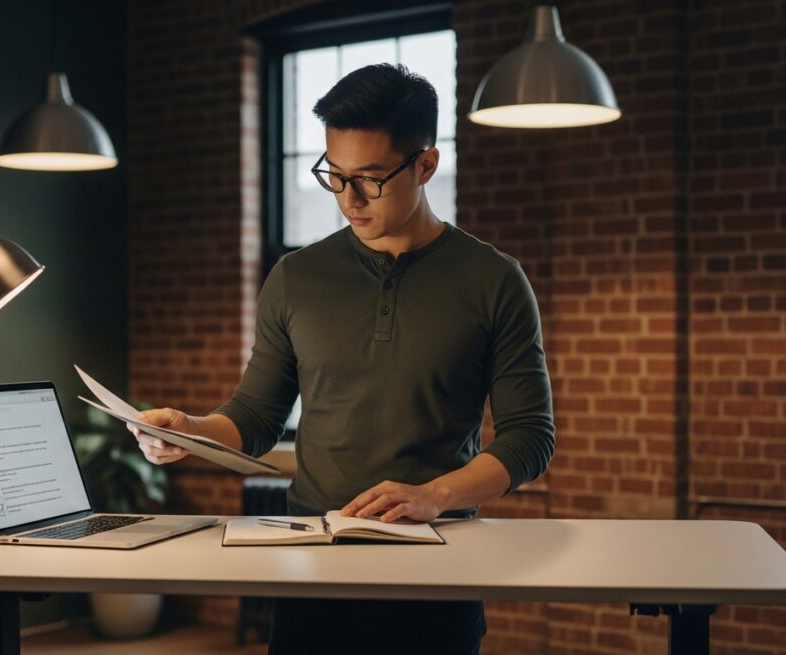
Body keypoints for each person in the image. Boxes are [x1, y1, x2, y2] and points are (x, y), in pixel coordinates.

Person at [130, 63, 554, 655]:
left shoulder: (495, 281)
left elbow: (530, 438)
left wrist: (433, 495)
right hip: (311, 562)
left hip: (435, 566)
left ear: (426, 165)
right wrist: (192, 431)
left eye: (371, 179)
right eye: (334, 174)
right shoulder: (295, 277)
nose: (348, 199)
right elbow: (256, 417)